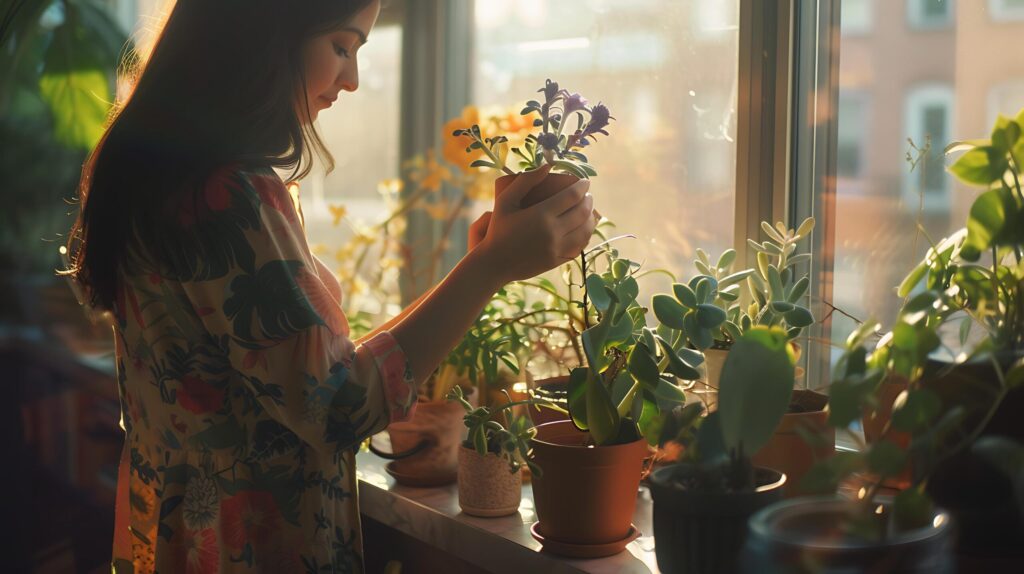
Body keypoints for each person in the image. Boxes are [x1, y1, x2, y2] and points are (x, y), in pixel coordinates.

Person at [64, 0, 596, 571]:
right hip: (252, 544)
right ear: (266, 33)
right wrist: (490, 270)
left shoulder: (163, 177)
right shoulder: (229, 197)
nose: (353, 79)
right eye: (342, 47)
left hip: (180, 535)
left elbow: (316, 374)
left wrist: (479, 267)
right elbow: (337, 408)